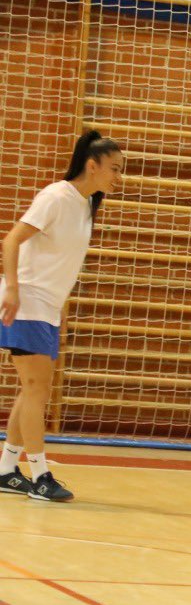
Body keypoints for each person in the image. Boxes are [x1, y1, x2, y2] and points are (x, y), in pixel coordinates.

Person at [0, 130, 124, 503]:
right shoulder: (56, 196)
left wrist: (57, 307)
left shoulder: (86, 205)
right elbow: (11, 240)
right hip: (27, 302)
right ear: (92, 165)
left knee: (33, 389)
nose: (119, 177)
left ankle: (6, 469)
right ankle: (40, 476)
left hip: (47, 308)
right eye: (114, 168)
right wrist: (12, 289)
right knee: (37, 389)